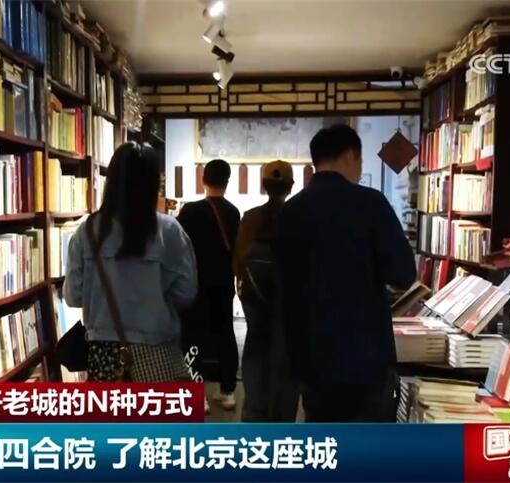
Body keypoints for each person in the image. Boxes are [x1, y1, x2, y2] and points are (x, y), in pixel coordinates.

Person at [275, 125, 416, 422]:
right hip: (365, 357)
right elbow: (403, 273)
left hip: (310, 357)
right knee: (369, 445)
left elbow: (283, 283)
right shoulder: (371, 203)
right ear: (351, 156)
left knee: (324, 441)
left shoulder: (290, 211)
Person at [64, 142, 197, 381]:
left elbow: (73, 296)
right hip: (157, 350)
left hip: (103, 353)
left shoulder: (87, 231)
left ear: (112, 180)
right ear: (152, 182)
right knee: (157, 405)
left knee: (111, 406)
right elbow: (186, 293)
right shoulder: (169, 230)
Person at [234, 160, 300, 422]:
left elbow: (238, 262)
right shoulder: (297, 217)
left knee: (255, 352)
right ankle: (281, 420)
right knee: (286, 360)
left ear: (263, 185)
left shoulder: (250, 218)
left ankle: (254, 414)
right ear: (291, 186)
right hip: (289, 303)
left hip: (255, 300)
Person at [177, 159, 241, 410]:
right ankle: (228, 392)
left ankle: (199, 396)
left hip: (195, 283)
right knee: (225, 333)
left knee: (193, 338)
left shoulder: (190, 211)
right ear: (227, 181)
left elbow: (180, 247)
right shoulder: (233, 212)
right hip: (223, 283)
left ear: (203, 179)